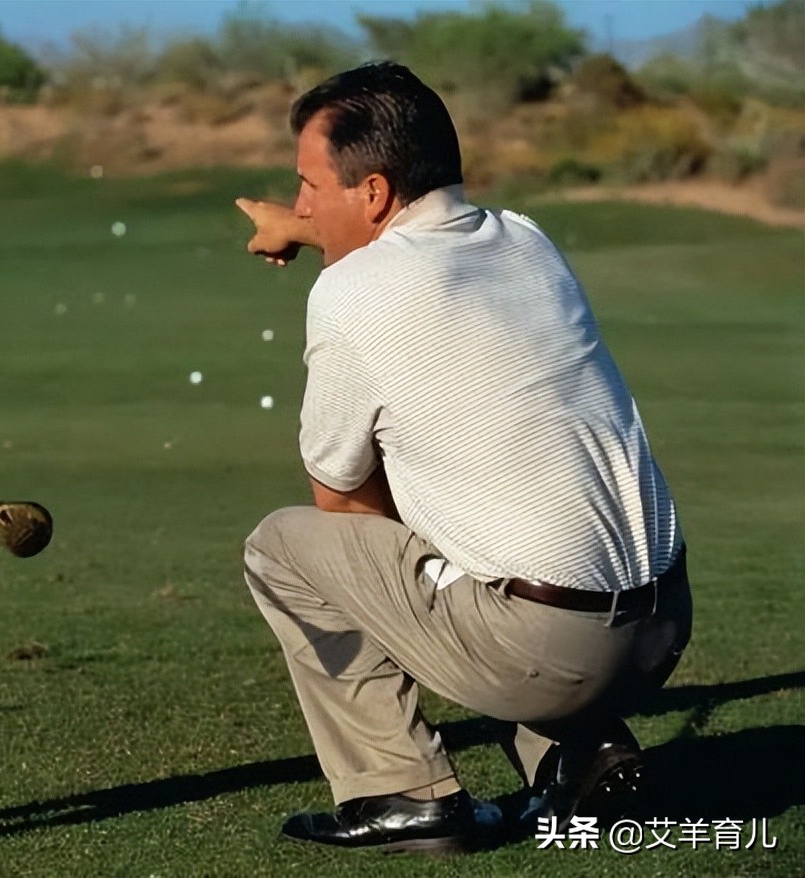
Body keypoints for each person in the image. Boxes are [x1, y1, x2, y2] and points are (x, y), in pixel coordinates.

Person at [235, 62, 691, 854]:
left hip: (549, 651)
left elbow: (344, 507)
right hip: (662, 628)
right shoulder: (524, 239)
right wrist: (308, 229)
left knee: (286, 548)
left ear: (373, 193)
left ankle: (403, 794)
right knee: (472, 538)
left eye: (308, 184)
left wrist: (431, 564)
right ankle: (576, 752)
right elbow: (415, 243)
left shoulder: (348, 295)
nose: (300, 202)